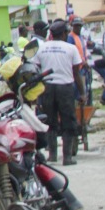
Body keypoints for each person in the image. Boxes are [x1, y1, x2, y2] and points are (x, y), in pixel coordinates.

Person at [35, 20, 80, 165]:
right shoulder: (71, 48)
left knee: (50, 121)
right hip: (65, 87)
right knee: (68, 121)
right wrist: (83, 92)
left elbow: (36, 68)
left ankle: (52, 155)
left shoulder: (42, 48)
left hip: (47, 87)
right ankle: (67, 157)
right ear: (63, 33)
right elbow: (76, 73)